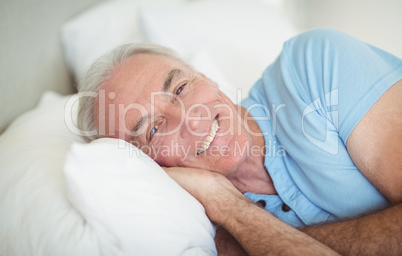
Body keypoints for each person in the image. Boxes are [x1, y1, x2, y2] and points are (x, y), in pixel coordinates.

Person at [77, 28, 401, 255]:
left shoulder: (313, 64)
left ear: (204, 76)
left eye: (179, 88)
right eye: (154, 129)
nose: (190, 119)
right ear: (146, 165)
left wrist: (248, 227)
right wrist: (227, 209)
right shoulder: (194, 228)